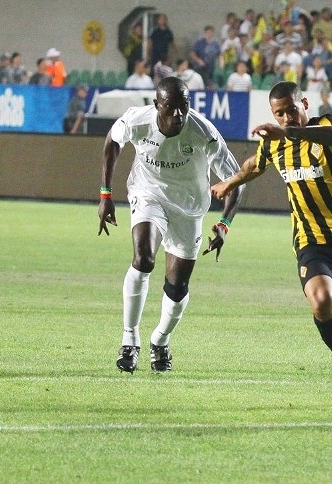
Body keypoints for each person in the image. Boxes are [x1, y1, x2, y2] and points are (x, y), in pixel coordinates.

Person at [210, 81, 332, 410]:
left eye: (291, 110)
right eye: (279, 114)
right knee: (321, 301)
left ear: (305, 104)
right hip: (313, 242)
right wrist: (230, 182)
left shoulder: (327, 125)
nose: (286, 118)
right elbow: (255, 164)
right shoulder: (275, 142)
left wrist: (289, 133)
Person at [98, 76, 242, 373]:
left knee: (177, 288)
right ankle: (129, 340)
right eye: (170, 107)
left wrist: (225, 223)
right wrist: (105, 194)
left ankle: (160, 341)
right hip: (148, 195)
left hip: (189, 209)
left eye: (183, 106)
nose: (178, 114)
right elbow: (113, 140)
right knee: (144, 259)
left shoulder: (203, 132)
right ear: (157, 105)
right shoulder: (138, 120)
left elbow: (236, 181)